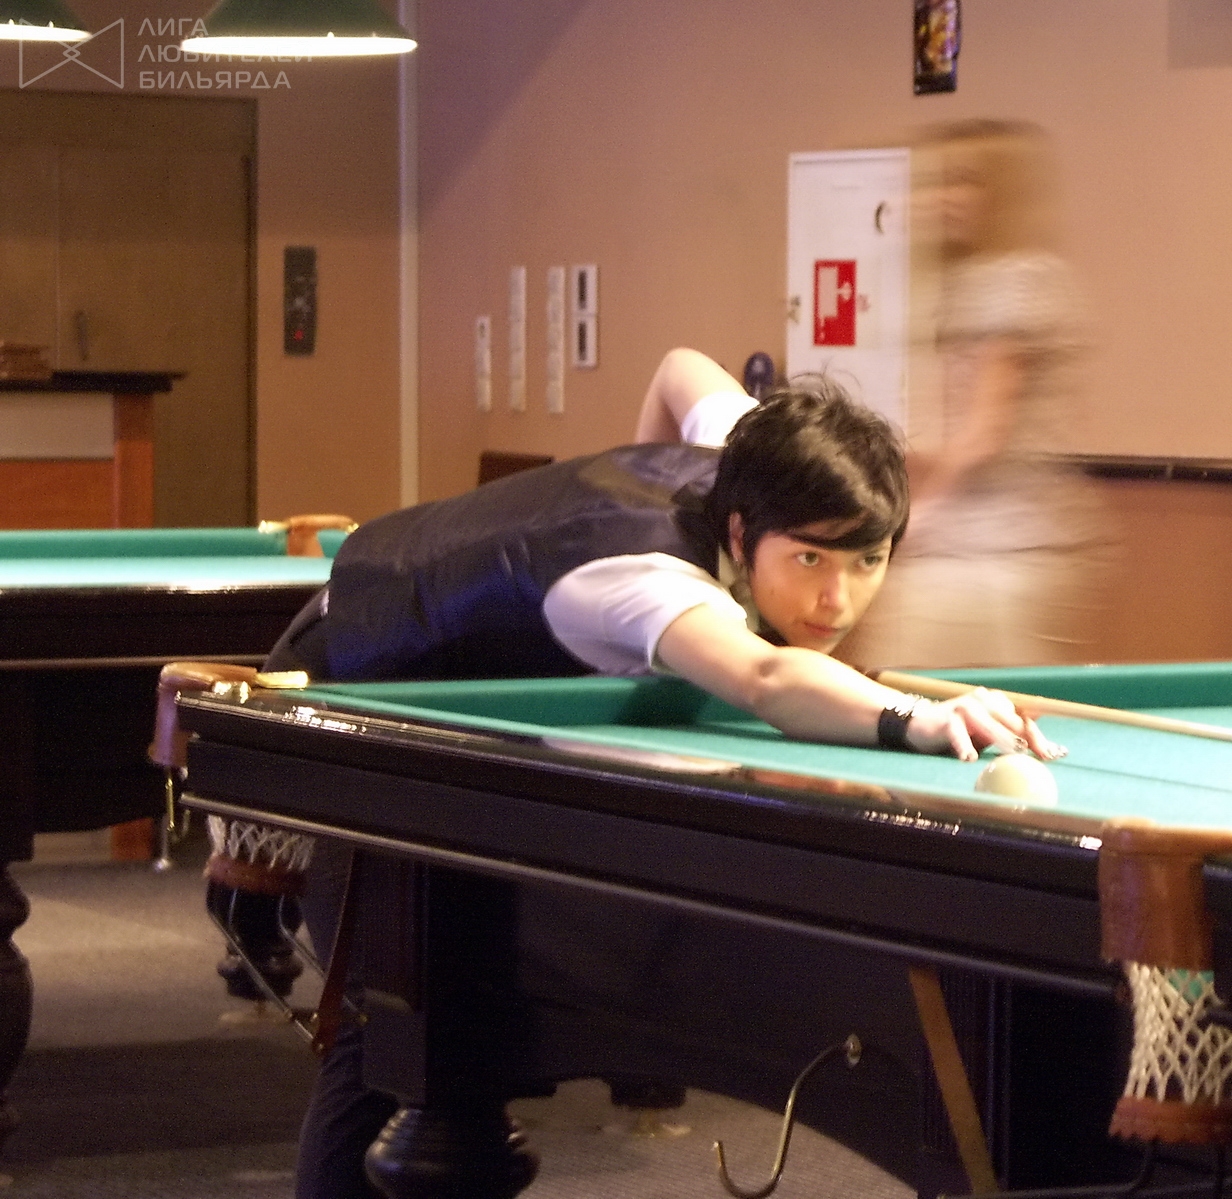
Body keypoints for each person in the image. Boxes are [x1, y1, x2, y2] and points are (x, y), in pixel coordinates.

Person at [267, 347, 1060, 1199]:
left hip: (459, 731)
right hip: (347, 684)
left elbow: (681, 369)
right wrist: (913, 717)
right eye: (810, 561)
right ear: (739, 533)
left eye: (868, 561)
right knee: (389, 1025)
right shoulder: (647, 578)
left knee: (448, 1023)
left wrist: (635, 462)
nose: (838, 599)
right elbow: (766, 677)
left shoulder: (754, 457)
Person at [845, 120, 1117, 671]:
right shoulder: (969, 283)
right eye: (938, 181)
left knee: (904, 694)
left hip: (996, 552)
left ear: (1001, 194)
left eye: (964, 181)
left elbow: (983, 431)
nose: (943, 197)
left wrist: (917, 515)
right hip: (987, 549)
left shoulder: (1012, 281)